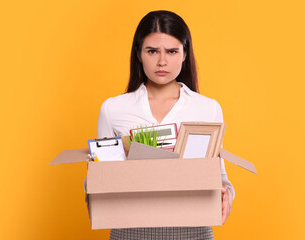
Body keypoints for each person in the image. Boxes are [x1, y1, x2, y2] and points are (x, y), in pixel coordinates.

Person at [96, 10, 234, 240]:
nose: (162, 61)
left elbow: (219, 176)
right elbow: (99, 178)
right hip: (130, 230)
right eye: (152, 51)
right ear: (139, 54)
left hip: (192, 230)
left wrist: (226, 194)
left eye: (171, 51)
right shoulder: (114, 109)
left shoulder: (208, 109)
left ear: (184, 54)